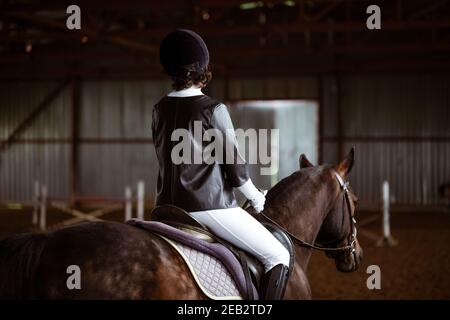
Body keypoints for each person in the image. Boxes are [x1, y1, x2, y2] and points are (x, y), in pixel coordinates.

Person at [152, 29, 290, 299]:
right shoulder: (213, 109)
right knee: (278, 255)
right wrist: (255, 197)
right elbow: (234, 165)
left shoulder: (159, 109)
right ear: (203, 69)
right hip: (208, 207)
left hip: (165, 207)